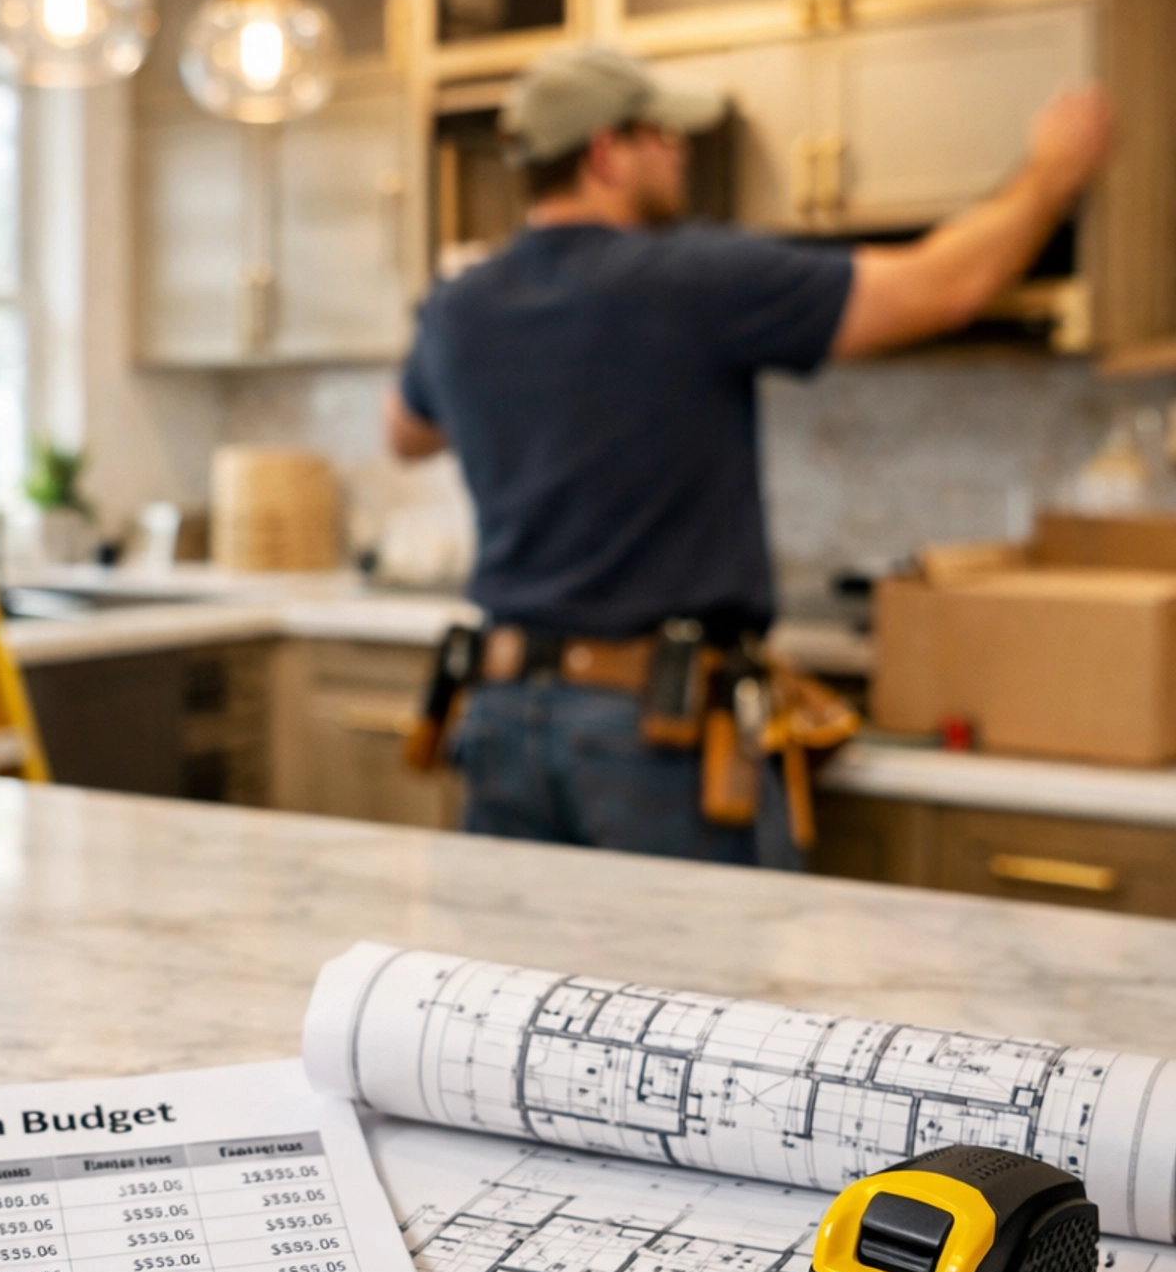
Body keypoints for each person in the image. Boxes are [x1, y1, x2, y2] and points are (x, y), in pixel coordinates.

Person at [388, 45, 1114, 863]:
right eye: (665, 134)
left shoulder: (460, 303)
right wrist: (1053, 172)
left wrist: (518, 378)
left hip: (501, 717)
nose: (682, 151)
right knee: (699, 989)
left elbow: (406, 432)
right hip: (647, 735)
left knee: (529, 988)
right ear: (605, 151)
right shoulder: (691, 277)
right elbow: (941, 287)